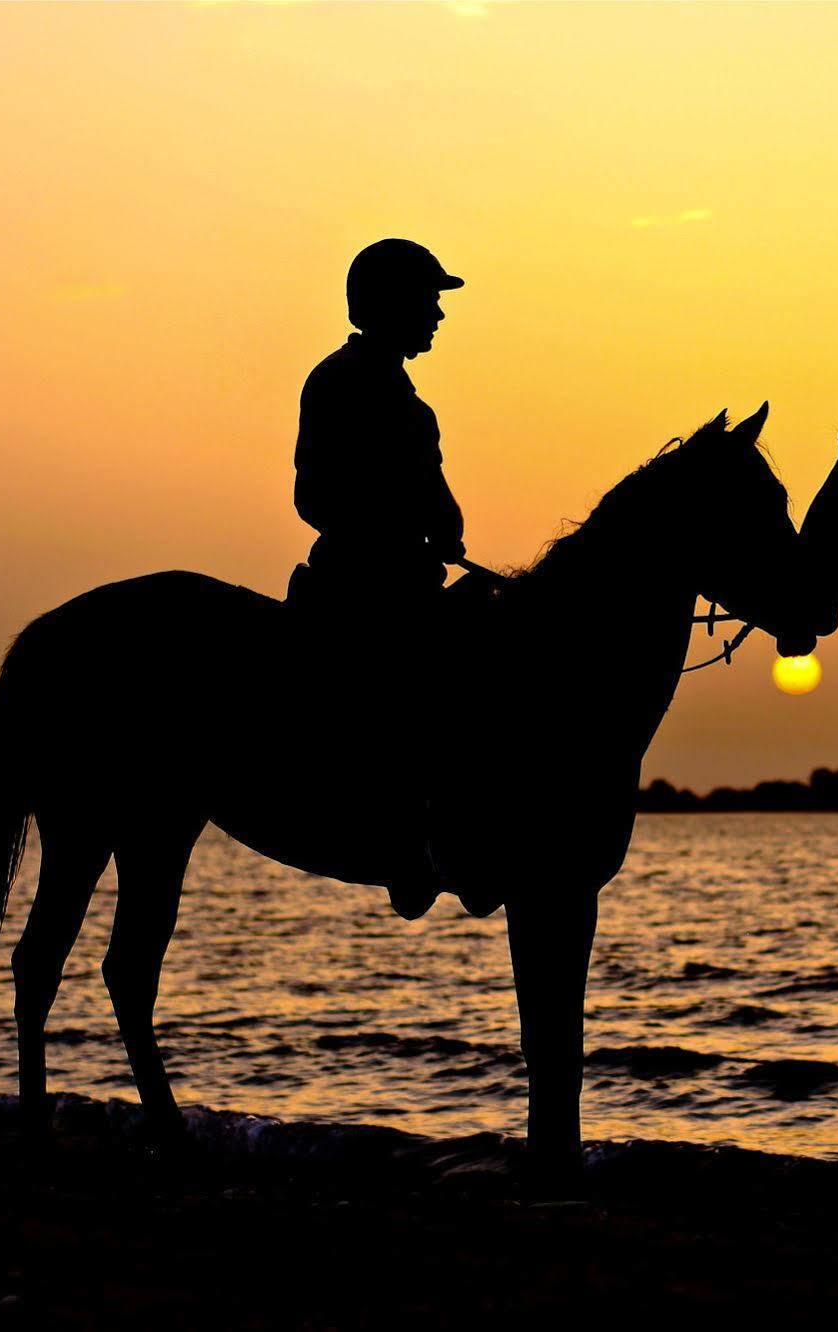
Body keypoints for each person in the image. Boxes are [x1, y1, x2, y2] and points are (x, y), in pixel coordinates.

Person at [285, 238, 467, 919]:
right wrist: (400, 524)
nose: (438, 316)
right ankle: (401, 840)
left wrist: (443, 524)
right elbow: (315, 496)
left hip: (411, 582)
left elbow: (432, 490)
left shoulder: (403, 394)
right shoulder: (340, 380)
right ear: (390, 304)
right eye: (430, 301)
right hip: (362, 588)